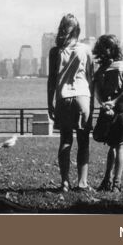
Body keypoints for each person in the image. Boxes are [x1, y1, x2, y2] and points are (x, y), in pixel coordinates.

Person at [47, 14, 94, 192]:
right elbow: (91, 78)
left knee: (65, 141)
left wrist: (49, 103)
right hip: (83, 97)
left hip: (63, 98)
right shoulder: (86, 49)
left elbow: (51, 80)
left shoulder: (55, 51)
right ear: (77, 29)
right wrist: (92, 104)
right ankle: (82, 183)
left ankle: (65, 182)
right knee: (83, 142)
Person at [92, 34, 123, 193]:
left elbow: (97, 94)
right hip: (121, 111)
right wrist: (115, 101)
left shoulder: (99, 71)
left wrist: (106, 104)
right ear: (117, 49)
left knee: (111, 146)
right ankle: (116, 184)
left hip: (106, 112)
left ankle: (106, 180)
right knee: (120, 146)